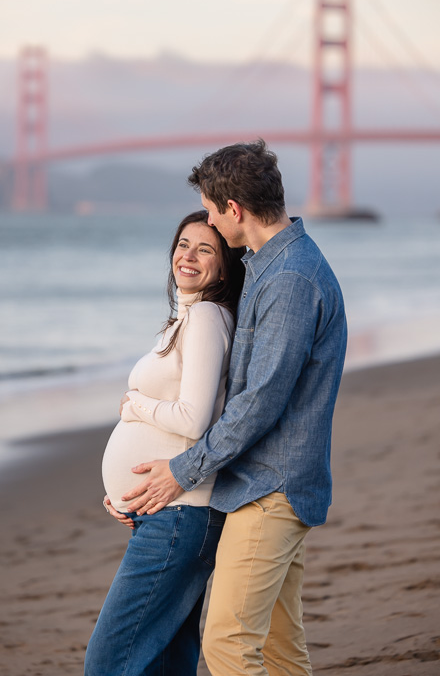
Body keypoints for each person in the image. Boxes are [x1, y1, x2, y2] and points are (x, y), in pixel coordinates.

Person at [121, 140, 348, 676]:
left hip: (270, 489)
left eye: (210, 210)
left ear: (235, 210)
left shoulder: (290, 278)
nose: (208, 223)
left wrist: (180, 472)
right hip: (266, 485)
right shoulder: (273, 266)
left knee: (227, 644)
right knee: (279, 649)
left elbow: (257, 404)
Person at [84, 210, 245, 676]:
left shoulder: (207, 317)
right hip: (163, 512)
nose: (188, 256)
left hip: (181, 514)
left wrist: (135, 406)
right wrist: (124, 496)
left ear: (223, 267)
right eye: (182, 245)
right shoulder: (186, 319)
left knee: (108, 661)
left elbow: (194, 420)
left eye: (205, 249)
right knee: (165, 661)